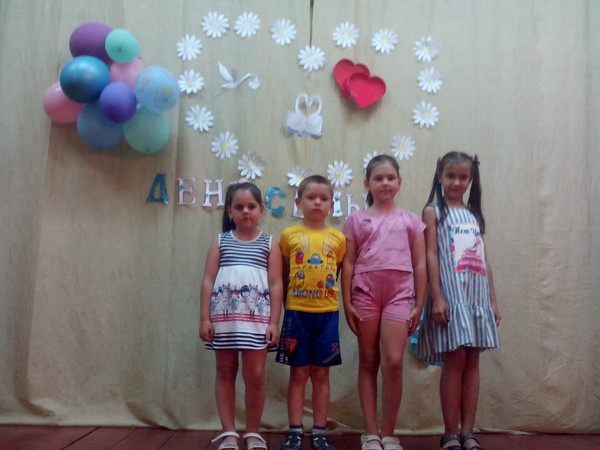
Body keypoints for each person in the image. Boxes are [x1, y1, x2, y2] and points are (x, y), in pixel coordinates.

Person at [341, 155, 427, 450]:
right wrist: (346, 302)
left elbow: (420, 264)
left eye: (390, 178)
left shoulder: (411, 221)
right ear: (367, 183)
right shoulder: (355, 220)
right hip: (365, 293)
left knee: (393, 362)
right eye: (378, 178)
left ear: (399, 182)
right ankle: (370, 433)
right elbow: (348, 263)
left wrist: (419, 303)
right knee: (368, 360)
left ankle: (389, 432)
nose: (385, 183)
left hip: (399, 295)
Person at [417, 152, 501, 450]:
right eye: (451, 176)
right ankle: (450, 432)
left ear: (471, 179)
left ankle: (468, 432)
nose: (456, 182)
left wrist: (492, 300)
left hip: (476, 295)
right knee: (455, 359)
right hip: (451, 295)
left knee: (473, 360)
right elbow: (430, 255)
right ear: (440, 176)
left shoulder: (473, 214)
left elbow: (483, 258)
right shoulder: (433, 211)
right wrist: (437, 297)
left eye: (463, 177)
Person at [200, 181, 283, 450]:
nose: (245, 211)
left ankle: (253, 432)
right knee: (225, 372)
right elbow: (208, 280)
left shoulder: (270, 244)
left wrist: (274, 322)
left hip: (257, 323)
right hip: (223, 322)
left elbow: (276, 284)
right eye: (239, 206)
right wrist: (205, 319)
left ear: (261, 210)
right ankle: (228, 433)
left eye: (251, 206)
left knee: (255, 376)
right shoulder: (220, 242)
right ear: (229, 211)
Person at [276, 175, 346, 450]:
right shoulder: (288, 236)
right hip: (296, 314)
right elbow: (284, 273)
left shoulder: (338, 238)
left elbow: (335, 274)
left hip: (327, 315)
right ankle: (295, 431)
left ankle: (319, 432)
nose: (317, 202)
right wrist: (287, 305)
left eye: (324, 198)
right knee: (298, 374)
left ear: (331, 205)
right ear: (298, 202)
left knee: (321, 375)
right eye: (311, 197)